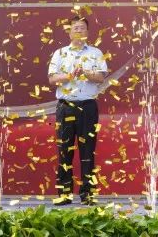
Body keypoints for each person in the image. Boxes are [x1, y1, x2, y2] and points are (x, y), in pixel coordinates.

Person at [48, 15, 108, 205]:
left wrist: (86, 73)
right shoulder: (60, 53)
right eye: (76, 28)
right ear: (69, 32)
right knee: (64, 151)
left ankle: (87, 193)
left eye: (82, 28)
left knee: (87, 151)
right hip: (65, 106)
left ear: (87, 32)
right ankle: (64, 193)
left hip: (88, 107)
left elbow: (101, 77)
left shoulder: (96, 53)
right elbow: (52, 79)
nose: (79, 31)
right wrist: (69, 75)